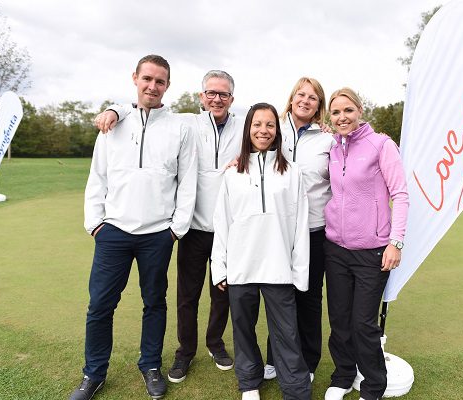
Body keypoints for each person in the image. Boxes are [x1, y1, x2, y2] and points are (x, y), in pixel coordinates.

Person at [95, 70, 243, 383]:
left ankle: (215, 343)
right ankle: (185, 351)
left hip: (230, 230)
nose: (217, 98)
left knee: (222, 294)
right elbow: (143, 109)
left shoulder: (244, 126)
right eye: (211, 93)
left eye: (224, 94)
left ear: (232, 98)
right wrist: (115, 109)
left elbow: (272, 132)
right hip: (193, 228)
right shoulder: (184, 122)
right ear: (201, 97)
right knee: (187, 295)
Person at [70, 54, 197, 400]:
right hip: (113, 232)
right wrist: (95, 224)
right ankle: (93, 373)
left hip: (158, 234)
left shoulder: (179, 128)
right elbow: (97, 177)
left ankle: (150, 365)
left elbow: (187, 182)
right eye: (147, 79)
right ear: (135, 79)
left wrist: (176, 229)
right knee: (100, 306)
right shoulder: (113, 125)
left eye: (160, 81)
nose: (153, 86)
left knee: (154, 302)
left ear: (167, 86)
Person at [211, 103, 312, 400]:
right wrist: (220, 267)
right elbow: (223, 222)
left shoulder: (292, 172)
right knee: (243, 330)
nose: (263, 130)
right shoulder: (232, 174)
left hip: (279, 266)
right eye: (257, 124)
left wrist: (299, 271)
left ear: (277, 131)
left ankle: (295, 390)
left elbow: (300, 222)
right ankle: (249, 383)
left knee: (287, 334)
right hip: (241, 267)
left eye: (269, 125)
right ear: (248, 129)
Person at [322, 88, 408, 400]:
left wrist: (395, 242)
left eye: (348, 110)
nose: (342, 117)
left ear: (360, 111)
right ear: (329, 118)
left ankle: (373, 386)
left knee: (363, 325)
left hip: (373, 252)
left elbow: (400, 193)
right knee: (339, 322)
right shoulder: (331, 147)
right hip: (336, 249)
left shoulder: (381, 145)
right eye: (335, 113)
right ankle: (343, 375)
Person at [264, 77, 334, 383]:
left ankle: (308, 361)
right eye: (301, 95)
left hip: (315, 230)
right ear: (292, 98)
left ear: (319, 106)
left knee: (308, 297)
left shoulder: (328, 140)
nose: (306, 100)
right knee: (279, 295)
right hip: (277, 229)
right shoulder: (272, 129)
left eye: (313, 97)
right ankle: (274, 358)